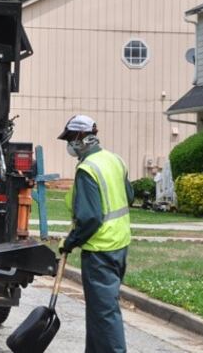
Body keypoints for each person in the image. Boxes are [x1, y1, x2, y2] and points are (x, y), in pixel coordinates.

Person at [58, 115, 133, 353]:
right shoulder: (115, 160)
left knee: (104, 313)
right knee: (100, 311)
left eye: (70, 138)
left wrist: (70, 242)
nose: (69, 144)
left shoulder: (87, 169)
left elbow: (90, 218)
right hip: (119, 246)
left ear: (81, 137)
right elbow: (129, 197)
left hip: (100, 249)